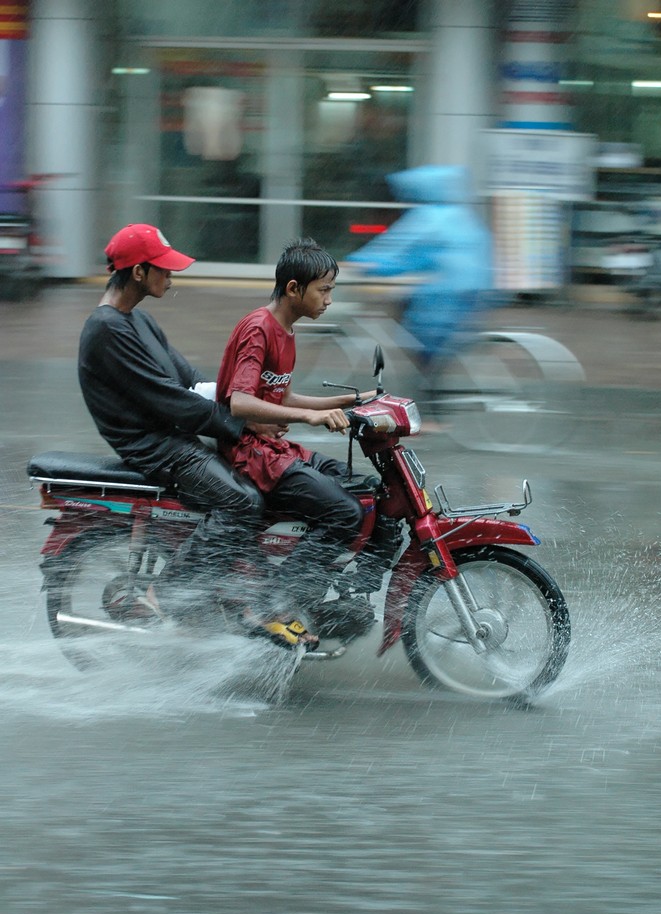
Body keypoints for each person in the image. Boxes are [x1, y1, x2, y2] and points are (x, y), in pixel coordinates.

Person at [78, 222, 264, 619]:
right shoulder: (106, 329)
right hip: (159, 449)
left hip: (176, 437)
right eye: (162, 267)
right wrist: (240, 425)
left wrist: (252, 401)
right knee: (242, 504)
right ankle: (165, 594)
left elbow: (191, 381)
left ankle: (234, 591)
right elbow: (170, 401)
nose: (171, 274)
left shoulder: (139, 321)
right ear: (139, 272)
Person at [216, 236, 377, 644]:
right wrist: (310, 416)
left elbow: (281, 397)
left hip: (276, 448)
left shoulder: (285, 330)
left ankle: (334, 596)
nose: (328, 300)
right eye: (323, 290)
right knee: (343, 513)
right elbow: (240, 402)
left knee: (367, 491)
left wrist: (352, 400)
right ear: (293, 289)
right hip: (249, 453)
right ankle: (273, 603)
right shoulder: (259, 329)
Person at [347, 164, 494, 414]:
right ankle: (435, 395)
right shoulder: (463, 216)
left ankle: (432, 411)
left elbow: (398, 252)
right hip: (477, 290)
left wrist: (360, 263)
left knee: (420, 341)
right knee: (438, 344)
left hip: (446, 294)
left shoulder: (427, 218)